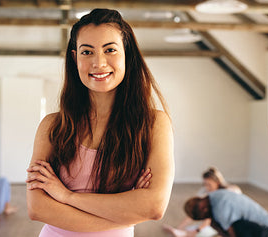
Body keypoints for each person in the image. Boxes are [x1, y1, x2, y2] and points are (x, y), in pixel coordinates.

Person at [25, 8, 174, 237]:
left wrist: (67, 197)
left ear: (127, 54)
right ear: (75, 58)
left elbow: (153, 207)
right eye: (87, 52)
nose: (99, 63)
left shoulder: (154, 124)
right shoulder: (53, 126)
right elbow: (37, 208)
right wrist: (127, 210)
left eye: (110, 50)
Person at [163, 167, 242, 237]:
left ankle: (186, 234)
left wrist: (197, 230)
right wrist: (179, 228)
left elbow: (211, 217)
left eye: (209, 185)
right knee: (190, 228)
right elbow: (194, 212)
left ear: (217, 182)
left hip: (228, 223)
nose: (207, 187)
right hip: (214, 222)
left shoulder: (226, 192)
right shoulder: (205, 192)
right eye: (205, 184)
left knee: (199, 230)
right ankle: (182, 232)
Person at [184, 189, 268, 237]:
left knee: (237, 226)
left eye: (201, 217)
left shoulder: (220, 208)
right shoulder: (214, 196)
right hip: (264, 229)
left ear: (202, 208)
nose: (204, 219)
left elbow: (232, 234)